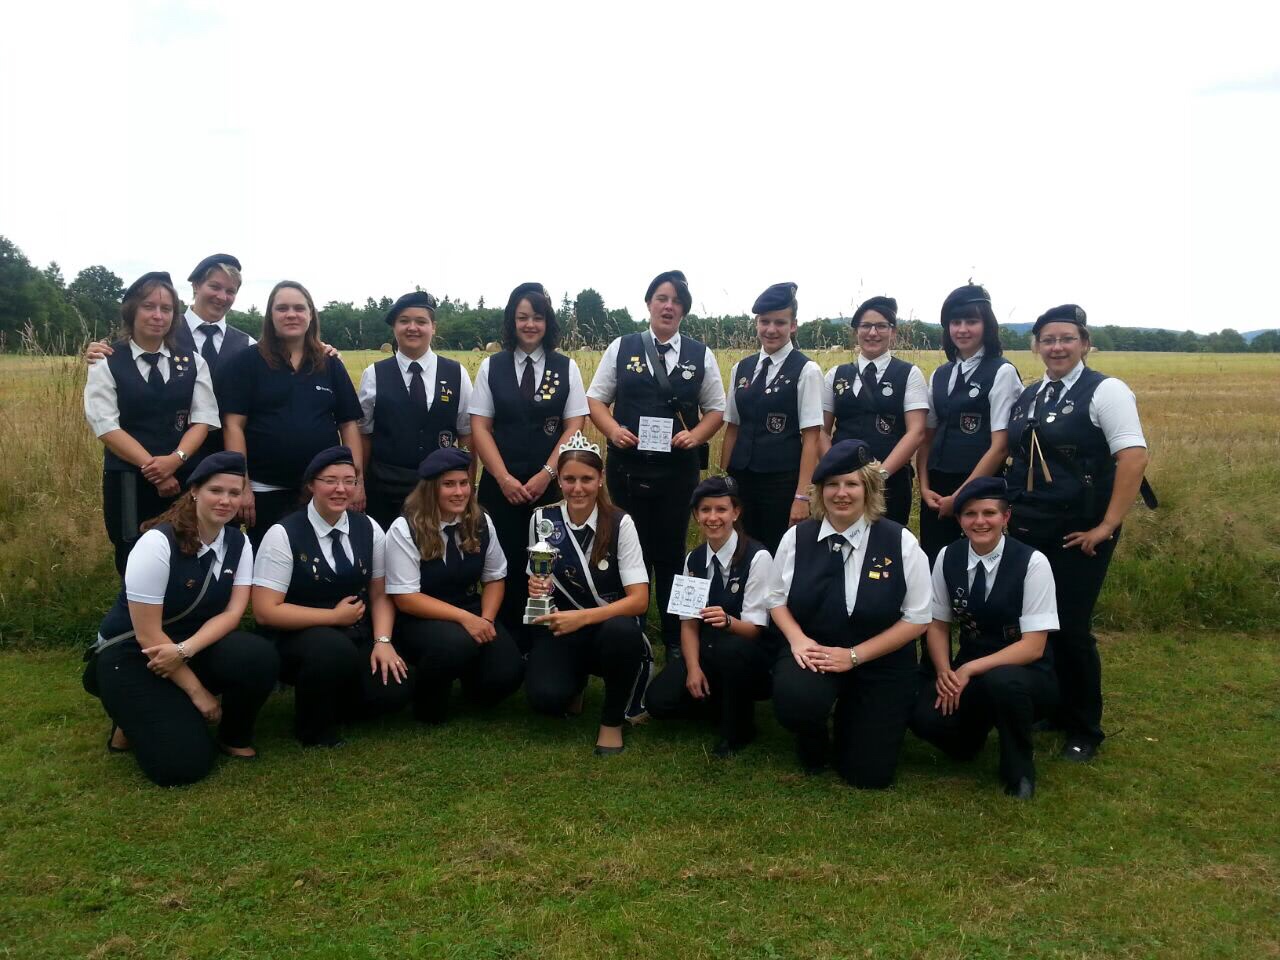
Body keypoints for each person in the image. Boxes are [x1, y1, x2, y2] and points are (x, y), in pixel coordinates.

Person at [1006, 304, 1150, 762]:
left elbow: (1133, 458)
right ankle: (1053, 707)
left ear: (1085, 343)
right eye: (1048, 340)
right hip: (1031, 526)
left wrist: (1107, 526)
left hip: (1080, 531)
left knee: (1070, 626)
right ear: (1036, 346)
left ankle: (1085, 727)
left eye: (1067, 338)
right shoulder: (1031, 395)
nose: (1057, 347)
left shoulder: (1106, 391)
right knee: (1036, 623)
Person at [83, 451, 280, 786]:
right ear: (195, 491)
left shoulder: (240, 542)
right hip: (134, 654)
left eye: (234, 493)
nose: (226, 500)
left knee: (258, 655)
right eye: (216, 490)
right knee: (183, 767)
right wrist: (198, 692)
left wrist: (185, 650)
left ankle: (232, 736)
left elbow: (233, 613)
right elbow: (147, 635)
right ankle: (125, 710)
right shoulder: (156, 543)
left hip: (186, 647)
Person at [767, 439, 932, 786]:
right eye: (832, 484)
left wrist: (854, 656)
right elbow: (775, 598)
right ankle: (813, 733)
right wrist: (797, 640)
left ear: (868, 489)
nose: (841, 493)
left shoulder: (901, 542)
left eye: (852, 484)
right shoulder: (796, 538)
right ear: (820, 491)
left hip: (880, 661)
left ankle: (853, 718)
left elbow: (917, 618)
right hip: (816, 651)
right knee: (797, 701)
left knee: (868, 775)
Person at [586, 270, 726, 656]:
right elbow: (596, 399)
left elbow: (717, 409)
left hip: (677, 472)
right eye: (662, 298)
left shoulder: (700, 354)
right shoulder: (622, 347)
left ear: (684, 310)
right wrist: (613, 430)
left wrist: (696, 436)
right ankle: (628, 630)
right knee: (628, 548)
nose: (668, 306)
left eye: (676, 301)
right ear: (649, 303)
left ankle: (675, 636)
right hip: (627, 469)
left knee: (672, 553)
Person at [910, 477, 1060, 798]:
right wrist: (945, 671)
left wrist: (969, 669)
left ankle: (1019, 771)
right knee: (923, 718)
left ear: (1006, 517)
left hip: (1025, 673)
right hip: (970, 670)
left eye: (989, 513)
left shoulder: (1033, 563)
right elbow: (937, 624)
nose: (980, 522)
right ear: (959, 519)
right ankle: (969, 740)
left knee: (1003, 683)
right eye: (970, 514)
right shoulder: (948, 556)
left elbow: (1034, 646)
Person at [251, 446, 410, 746]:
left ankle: (335, 699)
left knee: (393, 693)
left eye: (349, 481)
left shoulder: (370, 528)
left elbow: (379, 594)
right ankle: (313, 729)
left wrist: (383, 641)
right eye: (330, 480)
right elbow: (265, 611)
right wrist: (333, 617)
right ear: (311, 484)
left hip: (355, 631)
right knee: (331, 650)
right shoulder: (282, 534)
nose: (341, 489)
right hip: (297, 636)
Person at [469, 282, 589, 635]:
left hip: (549, 489)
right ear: (512, 321)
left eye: (537, 317)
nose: (530, 324)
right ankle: (505, 637)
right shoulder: (492, 367)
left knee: (548, 562)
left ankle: (546, 636)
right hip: (499, 488)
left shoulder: (566, 367)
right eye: (522, 317)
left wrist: (547, 473)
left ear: (547, 322)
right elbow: (480, 427)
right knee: (501, 562)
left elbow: (574, 425)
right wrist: (504, 478)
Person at [524, 432, 652, 755]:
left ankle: (611, 721)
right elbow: (539, 578)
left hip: (607, 628)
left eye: (586, 479)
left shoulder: (621, 523)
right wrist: (537, 586)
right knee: (546, 698)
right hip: (562, 628)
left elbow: (639, 600)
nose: (577, 488)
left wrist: (583, 618)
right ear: (559, 481)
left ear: (600, 479)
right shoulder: (542, 519)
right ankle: (575, 682)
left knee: (623, 632)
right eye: (569, 479)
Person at [84, 271, 219, 575]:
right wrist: (155, 470)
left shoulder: (193, 362)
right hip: (128, 480)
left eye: (166, 309)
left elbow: (203, 419)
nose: (158, 315)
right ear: (132, 310)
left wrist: (175, 460)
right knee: (133, 553)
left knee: (186, 546)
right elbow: (106, 425)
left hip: (183, 477)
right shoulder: (106, 361)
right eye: (149, 306)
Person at [219, 281, 364, 548]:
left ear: (311, 314)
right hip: (265, 490)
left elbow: (349, 425)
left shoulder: (330, 363)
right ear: (270, 315)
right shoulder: (246, 362)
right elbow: (233, 426)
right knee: (269, 559)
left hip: (323, 491)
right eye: (282, 308)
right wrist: (242, 484)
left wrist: (357, 481)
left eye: (299, 308)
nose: (291, 314)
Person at [384, 447, 524, 723]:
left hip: (471, 610)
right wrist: (466, 620)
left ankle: (472, 684)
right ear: (430, 490)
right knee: (454, 644)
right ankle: (428, 701)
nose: (459, 492)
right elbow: (406, 598)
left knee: (508, 673)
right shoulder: (404, 528)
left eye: (464, 483)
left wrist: (486, 620)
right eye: (448, 485)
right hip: (419, 619)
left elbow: (495, 577)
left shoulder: (481, 521)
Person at [646, 476, 775, 756]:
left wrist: (728, 621)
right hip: (708, 648)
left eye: (721, 509)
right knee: (658, 703)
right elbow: (688, 623)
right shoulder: (693, 559)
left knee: (732, 649)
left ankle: (738, 728)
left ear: (735, 512)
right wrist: (693, 668)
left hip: (747, 652)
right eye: (705, 510)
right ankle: (717, 702)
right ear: (696, 515)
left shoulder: (758, 557)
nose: (713, 517)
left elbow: (755, 629)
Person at [914, 284, 1023, 563]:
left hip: (980, 488)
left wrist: (960, 497)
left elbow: (1000, 447)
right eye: (955, 322)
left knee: (977, 563)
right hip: (936, 488)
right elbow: (927, 437)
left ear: (987, 325)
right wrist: (924, 487)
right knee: (935, 561)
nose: (962, 329)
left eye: (971, 321)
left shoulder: (1002, 372)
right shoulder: (940, 374)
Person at [358, 291, 474, 530]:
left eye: (421, 321)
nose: (412, 328)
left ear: (433, 327)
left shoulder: (457, 373)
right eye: (404, 321)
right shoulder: (373, 374)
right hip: (385, 492)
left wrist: (468, 486)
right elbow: (363, 435)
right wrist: (359, 483)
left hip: (439, 492)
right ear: (394, 327)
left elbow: (467, 435)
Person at [721, 282, 824, 552]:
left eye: (780, 322)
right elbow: (732, 427)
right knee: (740, 550)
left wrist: (802, 496)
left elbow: (811, 438)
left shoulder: (807, 370)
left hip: (781, 482)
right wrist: (723, 481)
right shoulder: (741, 368)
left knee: (778, 552)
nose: (771, 329)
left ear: (793, 326)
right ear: (756, 323)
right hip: (741, 479)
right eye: (765, 321)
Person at [822, 295, 929, 525]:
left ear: (893, 332)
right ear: (856, 332)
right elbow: (821, 430)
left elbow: (917, 432)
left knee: (887, 543)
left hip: (890, 484)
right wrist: (835, 470)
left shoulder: (910, 374)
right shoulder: (835, 375)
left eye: (881, 326)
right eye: (866, 326)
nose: (873, 333)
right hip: (841, 484)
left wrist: (879, 476)